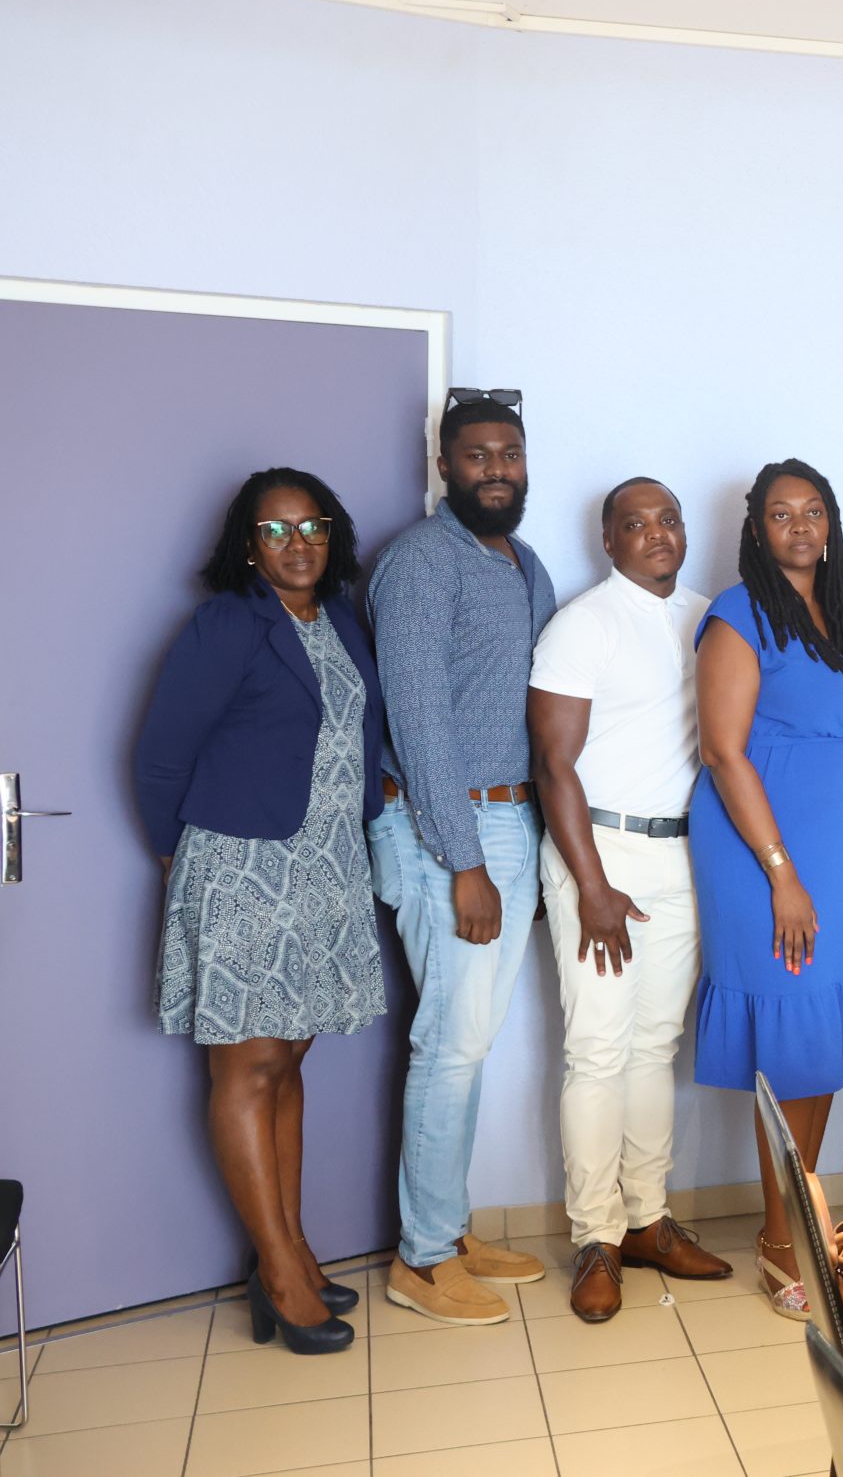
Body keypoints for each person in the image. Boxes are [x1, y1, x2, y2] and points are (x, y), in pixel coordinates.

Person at [135, 469, 388, 1354]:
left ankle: (292, 1245)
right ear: (247, 546)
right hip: (243, 870)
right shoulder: (226, 625)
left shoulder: (340, 619)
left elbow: (352, 736)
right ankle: (278, 1271)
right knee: (247, 1070)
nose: (297, 542)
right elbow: (159, 755)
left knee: (286, 1062)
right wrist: (181, 857)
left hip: (326, 868)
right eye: (275, 530)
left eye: (312, 525)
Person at [369, 392, 557, 1325]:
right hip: (446, 829)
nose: (495, 469)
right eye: (476, 455)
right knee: (449, 1044)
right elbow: (418, 721)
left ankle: (447, 1225)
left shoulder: (524, 562)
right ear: (444, 464)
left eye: (508, 453)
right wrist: (465, 861)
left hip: (510, 822)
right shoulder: (418, 561)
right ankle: (422, 1257)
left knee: (471, 1039)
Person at [527, 478, 732, 1323]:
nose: (657, 533)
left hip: (680, 853)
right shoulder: (583, 624)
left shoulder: (708, 617)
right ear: (608, 540)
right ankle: (596, 1237)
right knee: (598, 1050)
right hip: (599, 852)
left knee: (655, 1046)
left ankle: (647, 1219)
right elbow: (554, 765)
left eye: (669, 519)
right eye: (635, 523)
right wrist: (591, 885)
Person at [690, 459, 843, 1320]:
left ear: (830, 523)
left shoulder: (842, 614)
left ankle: (802, 1210)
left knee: (819, 1043)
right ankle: (779, 1239)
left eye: (813, 511)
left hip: (836, 849)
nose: (800, 525)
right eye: (781, 513)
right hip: (763, 849)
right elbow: (723, 750)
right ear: (755, 529)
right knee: (787, 1040)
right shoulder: (739, 613)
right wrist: (782, 873)